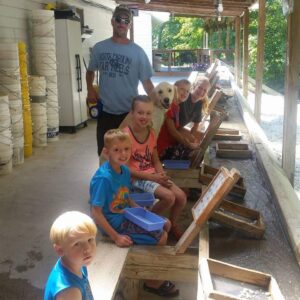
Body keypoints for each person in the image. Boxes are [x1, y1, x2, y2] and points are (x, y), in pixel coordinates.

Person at [89, 129, 179, 297]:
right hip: (114, 223)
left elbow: (125, 194)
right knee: (161, 237)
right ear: (106, 152)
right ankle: (150, 281)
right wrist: (116, 236)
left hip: (126, 213)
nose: (123, 154)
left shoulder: (125, 171)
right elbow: (95, 212)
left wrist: (137, 208)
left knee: (166, 224)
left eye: (126, 149)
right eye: (116, 150)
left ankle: (148, 265)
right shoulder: (103, 178)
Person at [86, 4, 154, 157]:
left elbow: (148, 85)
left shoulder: (138, 52)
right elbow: (90, 71)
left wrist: (159, 105)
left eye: (126, 20)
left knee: (126, 155)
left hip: (128, 114)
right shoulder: (99, 48)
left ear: (130, 24)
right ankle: (106, 181)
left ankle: (123, 181)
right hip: (105, 112)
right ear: (112, 21)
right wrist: (90, 89)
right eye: (119, 19)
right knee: (104, 153)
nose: (122, 23)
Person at [123, 95, 187, 240]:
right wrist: (153, 177)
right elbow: (126, 169)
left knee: (181, 197)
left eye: (148, 113)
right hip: (136, 178)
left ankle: (172, 225)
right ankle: (147, 220)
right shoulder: (125, 136)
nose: (144, 117)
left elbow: (156, 160)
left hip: (152, 175)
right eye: (140, 112)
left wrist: (162, 175)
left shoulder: (151, 133)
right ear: (132, 113)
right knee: (169, 197)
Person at [44, 211, 97, 300]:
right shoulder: (69, 292)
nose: (87, 248)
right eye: (77, 244)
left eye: (90, 239)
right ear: (60, 250)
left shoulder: (77, 263)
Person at [157, 79, 199, 160]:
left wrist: (189, 139)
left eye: (187, 91)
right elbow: (172, 131)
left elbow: (178, 129)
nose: (185, 93)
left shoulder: (177, 106)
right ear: (173, 89)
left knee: (195, 145)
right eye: (182, 89)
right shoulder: (169, 105)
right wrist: (188, 144)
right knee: (193, 154)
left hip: (171, 144)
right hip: (163, 149)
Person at [178, 77, 210, 143]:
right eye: (200, 87)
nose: (201, 91)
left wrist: (191, 137)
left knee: (195, 140)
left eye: (205, 90)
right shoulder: (184, 97)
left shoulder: (199, 104)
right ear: (194, 86)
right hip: (172, 128)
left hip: (179, 129)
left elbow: (196, 125)